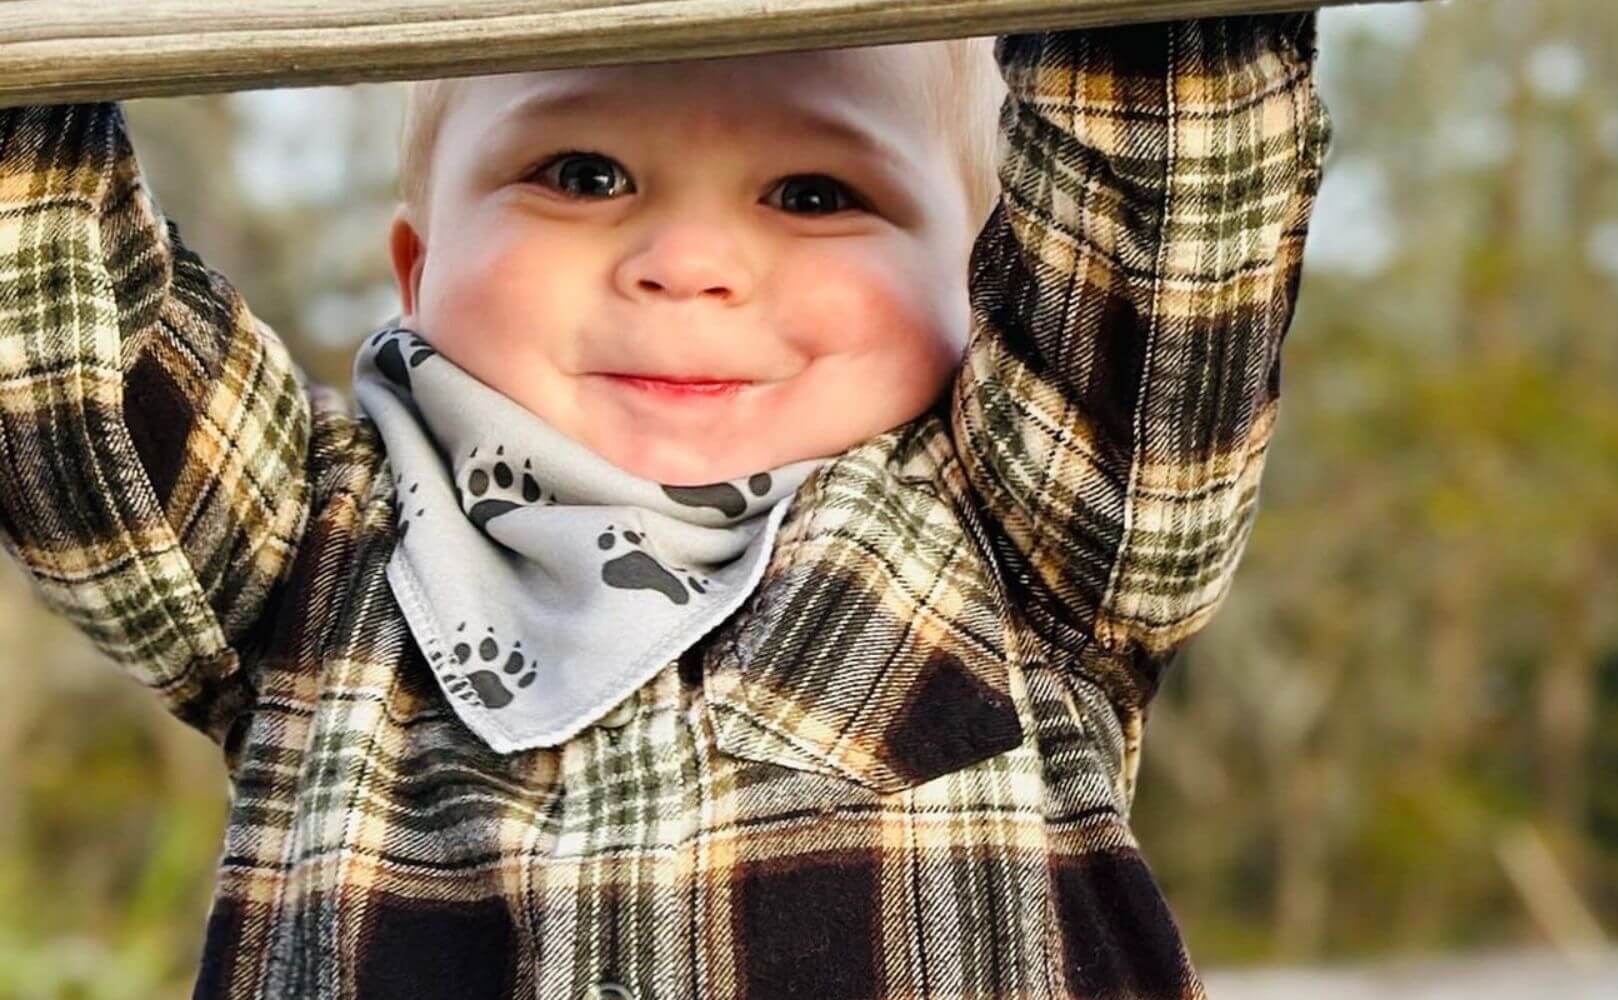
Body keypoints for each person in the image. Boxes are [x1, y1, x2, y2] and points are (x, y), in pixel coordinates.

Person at [0, 11, 1331, 998]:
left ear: (978, 284)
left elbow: (1169, 167)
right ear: (420, 267)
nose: (688, 263)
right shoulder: (320, 544)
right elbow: (55, 337)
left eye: (816, 194)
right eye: (581, 174)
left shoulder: (1032, 529)